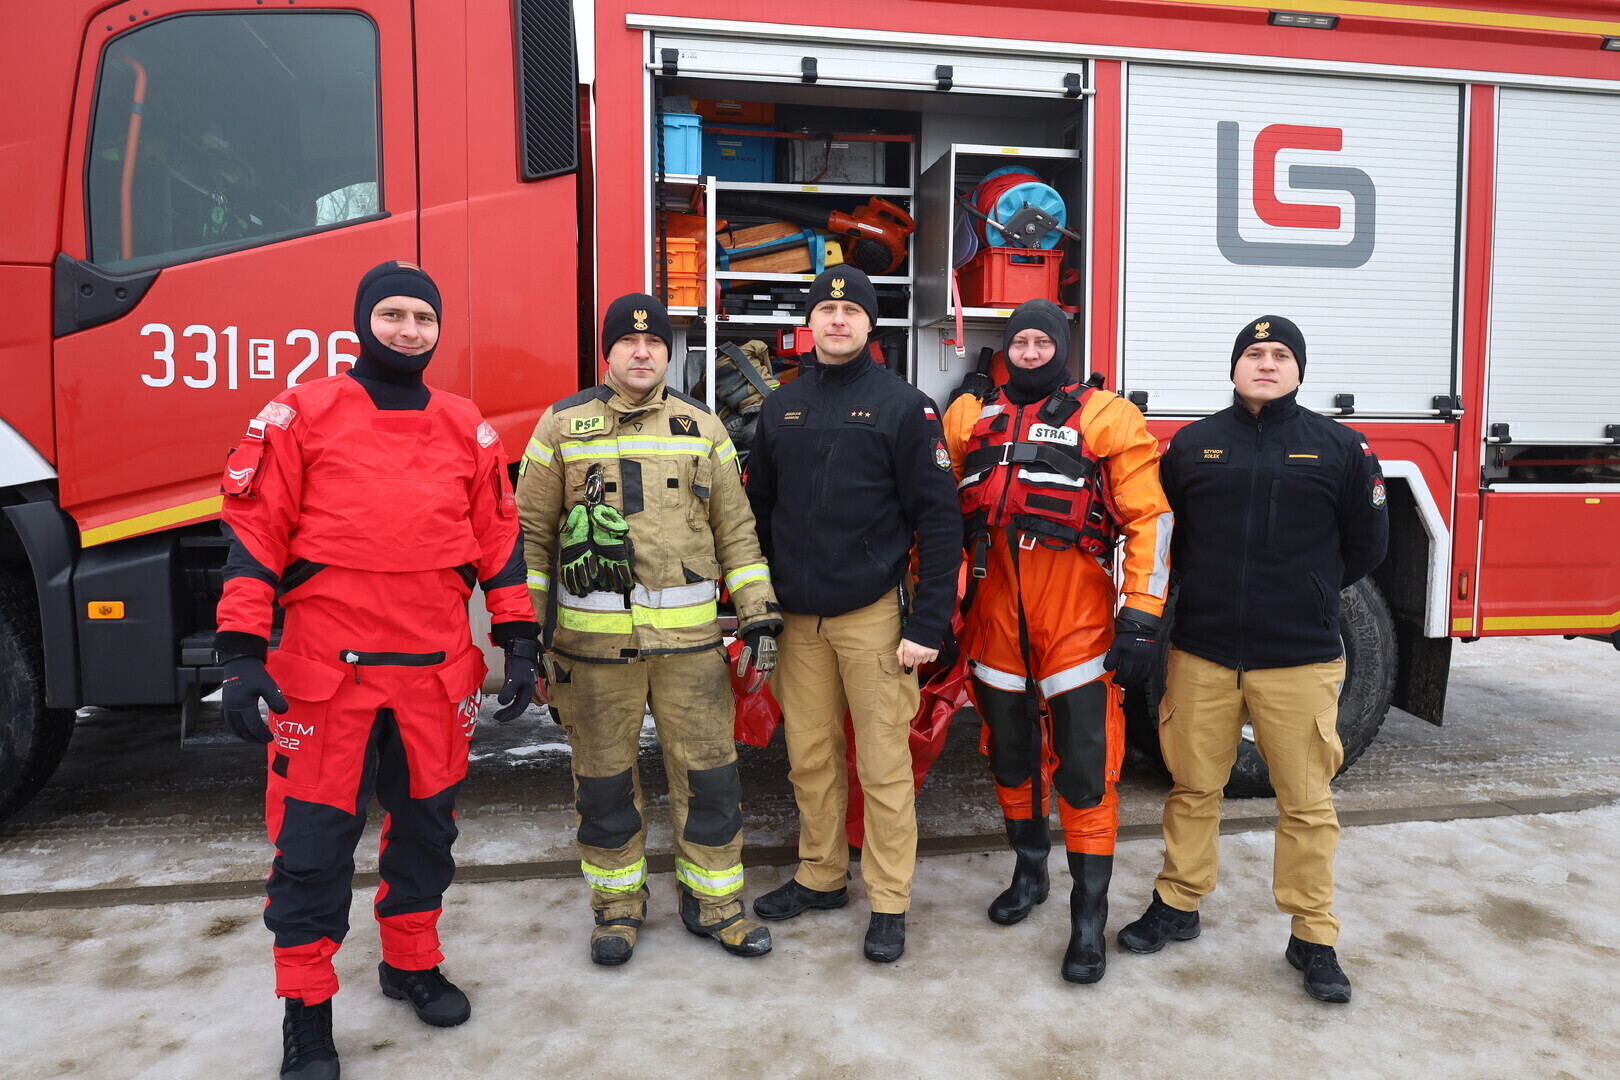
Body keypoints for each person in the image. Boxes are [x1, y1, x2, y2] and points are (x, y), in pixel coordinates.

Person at [215, 261, 540, 1080]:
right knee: (313, 851)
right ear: (363, 322)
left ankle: (411, 965)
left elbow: (499, 543)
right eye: (392, 315)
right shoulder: (304, 414)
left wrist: (521, 641)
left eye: (422, 319)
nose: (407, 331)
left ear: (438, 330)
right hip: (326, 681)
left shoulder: (466, 426)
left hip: (433, 680)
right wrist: (240, 652)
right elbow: (257, 538)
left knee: (427, 836)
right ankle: (308, 1013)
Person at [1117, 315, 1388, 1004]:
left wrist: (1307, 594)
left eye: (1279, 355)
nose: (1265, 364)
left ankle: (1313, 934)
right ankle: (1178, 903)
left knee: (1305, 801)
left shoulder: (1340, 449)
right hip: (1203, 654)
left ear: (1299, 369)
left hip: (1297, 661)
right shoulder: (1194, 447)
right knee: (1192, 788)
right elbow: (1165, 538)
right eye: (1253, 353)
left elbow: (1367, 548)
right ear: (1233, 366)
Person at [514, 294, 782, 966]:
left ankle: (715, 903)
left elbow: (737, 530)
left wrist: (758, 614)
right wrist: (526, 635)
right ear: (607, 351)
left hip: (689, 651)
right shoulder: (559, 426)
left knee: (712, 780)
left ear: (669, 352)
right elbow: (530, 538)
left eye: (655, 343)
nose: (642, 353)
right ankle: (617, 908)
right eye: (629, 343)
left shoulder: (703, 427)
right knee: (604, 785)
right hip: (592, 652)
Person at [941, 298, 1171, 984]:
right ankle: (1030, 873)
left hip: (1075, 611)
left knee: (1083, 764)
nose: (1031, 349)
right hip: (992, 611)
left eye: (1044, 339)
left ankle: (1088, 919)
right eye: (1021, 340)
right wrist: (936, 611)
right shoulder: (965, 416)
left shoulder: (1108, 416)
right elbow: (934, 513)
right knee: (1008, 754)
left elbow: (1149, 519)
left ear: (1062, 346)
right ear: (1004, 349)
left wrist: (1143, 614)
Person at [745, 265, 961, 963]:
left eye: (850, 310)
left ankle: (890, 899)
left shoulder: (905, 407)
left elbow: (940, 520)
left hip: (873, 616)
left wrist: (929, 624)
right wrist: (756, 603)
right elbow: (757, 514)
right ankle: (821, 876)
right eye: (825, 309)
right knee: (810, 758)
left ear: (871, 324)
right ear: (809, 324)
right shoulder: (782, 408)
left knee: (883, 765)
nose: (837, 320)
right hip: (798, 620)